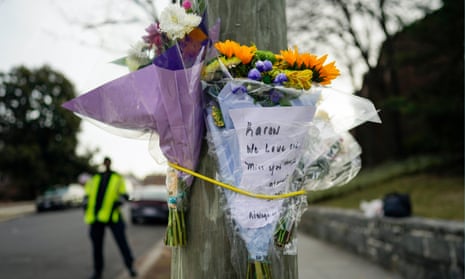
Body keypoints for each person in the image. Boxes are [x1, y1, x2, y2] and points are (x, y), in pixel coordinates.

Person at [83, 157, 137, 279]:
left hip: (113, 216)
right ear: (103, 163)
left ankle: (130, 266)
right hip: (96, 218)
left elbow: (124, 194)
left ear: (110, 163)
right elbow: (87, 194)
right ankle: (97, 271)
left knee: (122, 243)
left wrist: (118, 202)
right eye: (105, 162)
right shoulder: (94, 178)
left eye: (108, 162)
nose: (106, 164)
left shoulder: (118, 178)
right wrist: (85, 204)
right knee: (97, 247)